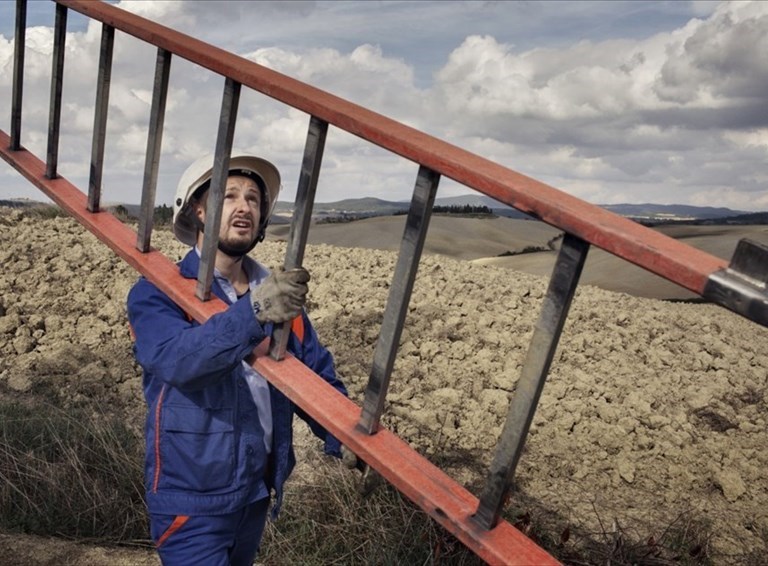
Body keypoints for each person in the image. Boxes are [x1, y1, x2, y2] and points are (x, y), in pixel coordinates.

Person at [127, 153, 348, 565]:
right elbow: (180, 362)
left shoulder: (275, 293)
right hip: (191, 500)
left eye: (253, 198)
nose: (244, 206)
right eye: (228, 196)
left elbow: (314, 378)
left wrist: (346, 438)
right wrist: (255, 312)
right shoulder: (159, 292)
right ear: (198, 210)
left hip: (254, 493)